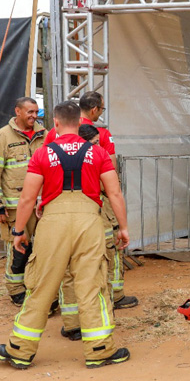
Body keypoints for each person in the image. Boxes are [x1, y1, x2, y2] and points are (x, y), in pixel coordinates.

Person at [0, 101, 130, 370]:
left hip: (52, 223)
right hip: (89, 222)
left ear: (55, 123)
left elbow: (27, 198)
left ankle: (20, 349)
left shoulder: (42, 154)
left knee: (41, 286)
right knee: (92, 286)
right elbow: (114, 193)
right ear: (79, 122)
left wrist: (18, 231)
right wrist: (123, 228)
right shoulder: (98, 152)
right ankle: (99, 350)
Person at [46, 91, 137, 310]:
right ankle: (113, 295)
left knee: (63, 258)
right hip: (95, 203)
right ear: (94, 109)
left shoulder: (52, 136)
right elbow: (111, 174)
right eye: (101, 109)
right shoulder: (100, 135)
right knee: (106, 249)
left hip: (58, 205)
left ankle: (58, 304)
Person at [0, 97, 47, 305]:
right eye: (30, 112)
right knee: (18, 249)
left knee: (43, 248)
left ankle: (36, 286)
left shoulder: (45, 135)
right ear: (18, 111)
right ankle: (16, 289)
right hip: (14, 207)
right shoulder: (1, 137)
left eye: (36, 112)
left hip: (42, 205)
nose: (34, 116)